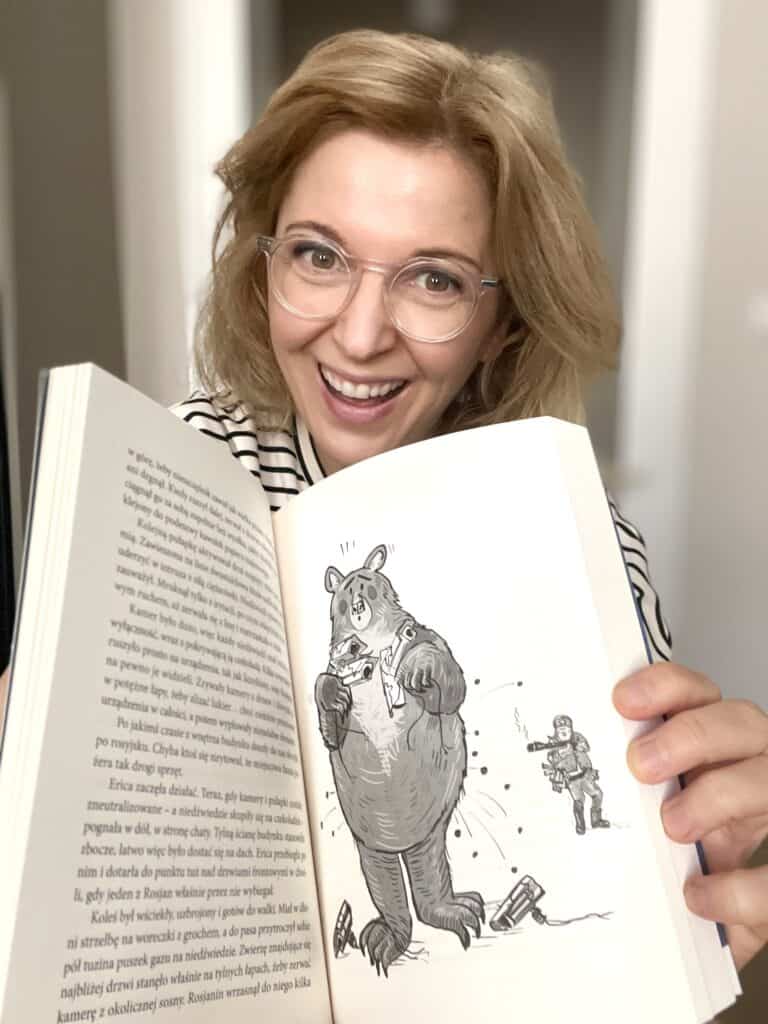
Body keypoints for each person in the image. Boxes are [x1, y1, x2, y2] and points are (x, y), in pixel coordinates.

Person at [2, 28, 766, 972]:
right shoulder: (172, 470)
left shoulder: (581, 546)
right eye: (318, 256)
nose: (361, 337)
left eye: (434, 279)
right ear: (263, 269)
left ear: (500, 324)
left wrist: (679, 921)